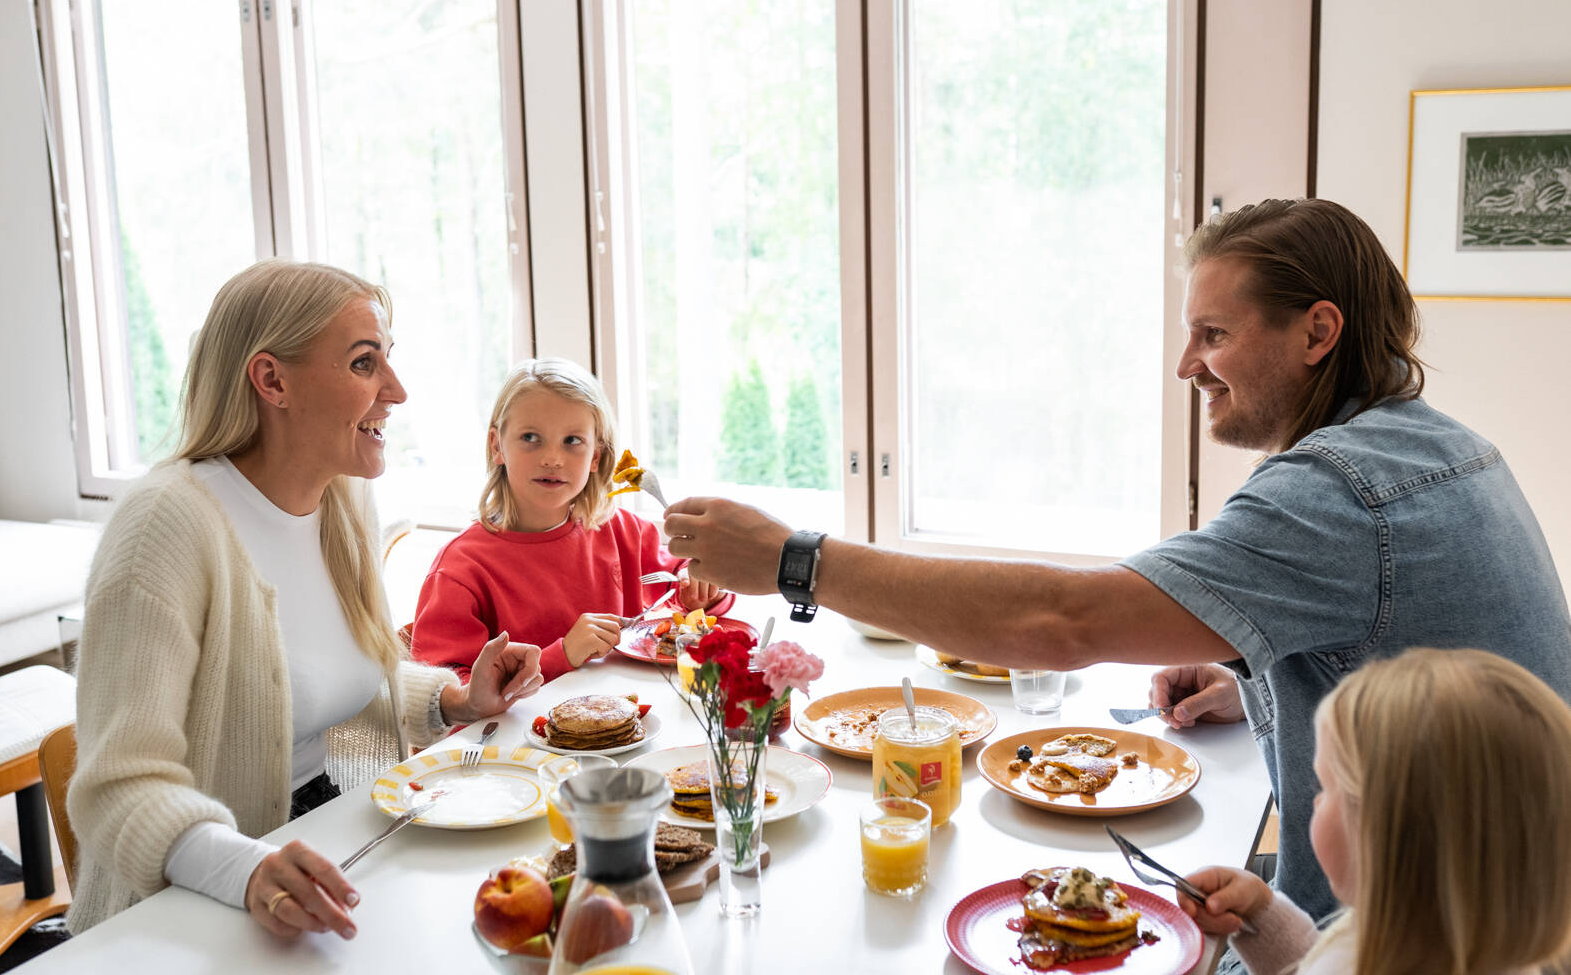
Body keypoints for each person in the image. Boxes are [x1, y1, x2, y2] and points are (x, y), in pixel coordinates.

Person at [663, 198, 1571, 925]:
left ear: (1317, 332)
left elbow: (1061, 623)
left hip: (1411, 934)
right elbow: (1387, 632)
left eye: (1214, 335)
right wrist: (1259, 667)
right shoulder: (1433, 446)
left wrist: (794, 560)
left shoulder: (1337, 490)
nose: (1187, 364)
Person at [69, 261, 543, 940]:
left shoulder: (343, 499)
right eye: (362, 364)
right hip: (190, 906)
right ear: (272, 381)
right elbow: (115, 789)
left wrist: (454, 701)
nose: (397, 391)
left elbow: (327, 685)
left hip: (332, 850)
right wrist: (248, 870)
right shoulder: (164, 527)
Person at [1176, 647, 1571, 974]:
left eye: (1327, 788)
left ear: (1391, 838)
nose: (1314, 800)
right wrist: (1262, 916)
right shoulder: (1440, 940)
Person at [409, 357, 729, 683]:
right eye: (531, 438)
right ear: (497, 446)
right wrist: (560, 656)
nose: (552, 459)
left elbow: (681, 584)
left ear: (596, 457)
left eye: (572, 441)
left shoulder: (622, 531)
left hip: (633, 724)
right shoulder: (460, 569)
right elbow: (448, 701)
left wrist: (701, 590)